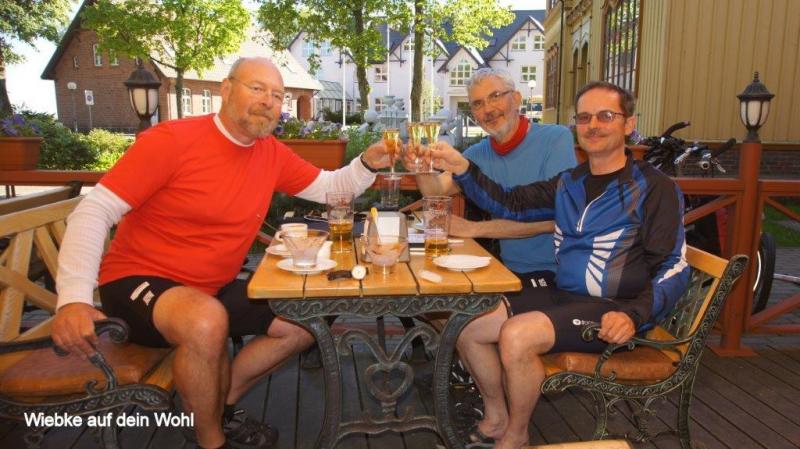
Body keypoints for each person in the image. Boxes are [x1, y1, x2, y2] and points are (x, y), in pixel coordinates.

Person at [51, 57, 391, 449]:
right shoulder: (172, 140)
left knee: (305, 321)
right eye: (257, 88)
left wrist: (368, 163)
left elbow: (332, 187)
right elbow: (94, 209)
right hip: (137, 283)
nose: (268, 101)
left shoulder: (269, 152)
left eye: (277, 95)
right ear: (226, 90)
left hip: (211, 288)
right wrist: (73, 299)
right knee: (205, 320)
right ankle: (211, 440)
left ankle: (217, 404)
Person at [431, 81, 690, 449]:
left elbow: (673, 265)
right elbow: (510, 203)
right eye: (584, 118)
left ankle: (515, 436)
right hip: (564, 294)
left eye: (606, 116)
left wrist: (633, 315)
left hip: (615, 310)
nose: (593, 125)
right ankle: (497, 417)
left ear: (629, 124)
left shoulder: (654, 187)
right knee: (467, 325)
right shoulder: (570, 183)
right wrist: (461, 167)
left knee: (517, 334)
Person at [405, 67, 575, 445]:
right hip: (504, 273)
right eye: (478, 103)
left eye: (496, 96)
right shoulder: (477, 153)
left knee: (464, 325)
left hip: (556, 275)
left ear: (517, 99)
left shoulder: (555, 139)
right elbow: (437, 192)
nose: (488, 109)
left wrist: (474, 229)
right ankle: (497, 414)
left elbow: (554, 219)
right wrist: (422, 167)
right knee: (444, 311)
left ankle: (510, 425)